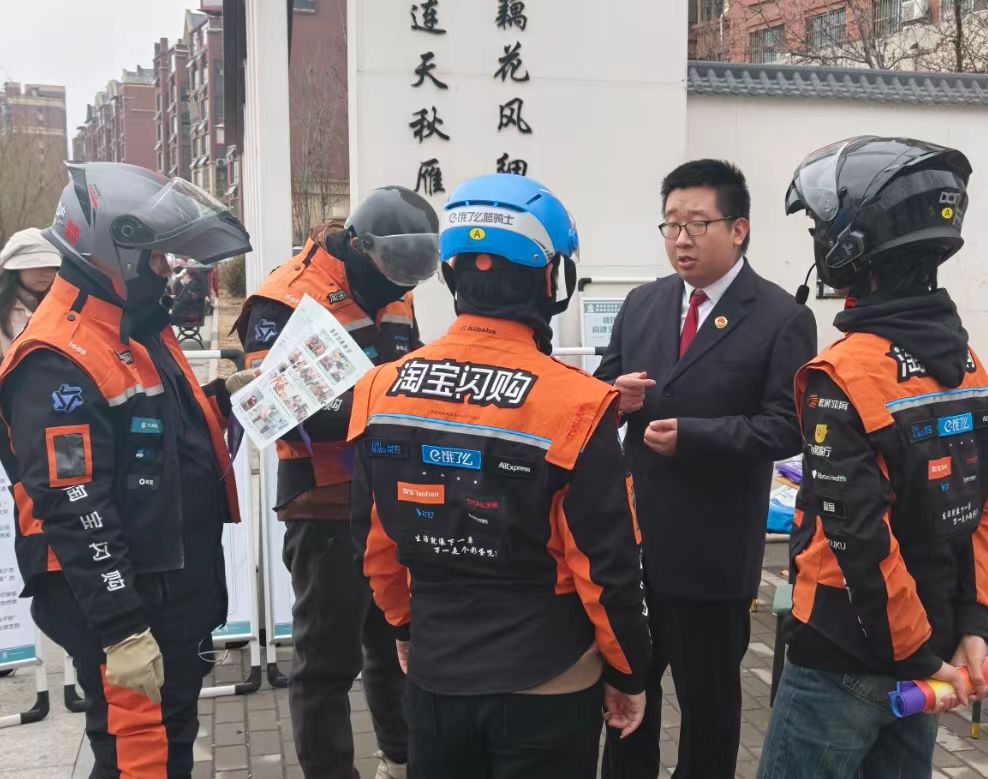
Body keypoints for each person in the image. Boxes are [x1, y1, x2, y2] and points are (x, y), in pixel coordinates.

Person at [348, 173, 652, 779]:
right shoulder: (579, 405)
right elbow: (606, 566)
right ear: (550, 279)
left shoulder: (380, 389)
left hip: (436, 674)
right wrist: (628, 672)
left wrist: (404, 625)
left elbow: (376, 541)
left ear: (451, 275)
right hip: (549, 680)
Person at [757, 136, 988, 778]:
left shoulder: (844, 374)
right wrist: (972, 625)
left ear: (849, 248)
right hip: (935, 650)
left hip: (845, 656)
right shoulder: (968, 364)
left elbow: (857, 537)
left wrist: (917, 655)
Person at [0, 162, 251, 777]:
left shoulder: (132, 324)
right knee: (139, 752)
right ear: (116, 252)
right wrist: (122, 630)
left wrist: (226, 397)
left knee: (171, 739)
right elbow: (73, 501)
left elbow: (155, 431)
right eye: (157, 256)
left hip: (172, 578)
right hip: (126, 596)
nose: (167, 270)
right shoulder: (56, 358)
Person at [596, 159, 817, 779]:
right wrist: (614, 397)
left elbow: (788, 426)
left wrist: (697, 437)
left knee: (710, 709)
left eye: (697, 224)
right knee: (627, 699)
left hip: (713, 555)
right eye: (670, 225)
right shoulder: (643, 303)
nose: (681, 239)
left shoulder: (780, 317)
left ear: (739, 229)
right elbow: (602, 389)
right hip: (634, 549)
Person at [230, 187, 439, 779]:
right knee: (326, 662)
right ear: (358, 245)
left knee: (394, 642)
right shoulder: (283, 298)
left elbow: (410, 362)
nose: (400, 290)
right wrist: (387, 405)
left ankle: (399, 760)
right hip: (325, 501)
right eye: (393, 274)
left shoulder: (398, 286)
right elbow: (278, 407)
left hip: (390, 496)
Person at [0, 227, 62, 355]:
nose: (47, 273)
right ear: (17, 268)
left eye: (54, 267)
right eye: (39, 265)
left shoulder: (61, 306)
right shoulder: (4, 309)